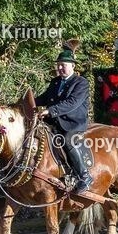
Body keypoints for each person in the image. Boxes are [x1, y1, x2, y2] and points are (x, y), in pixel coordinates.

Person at [37, 46, 93, 194]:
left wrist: (50, 110)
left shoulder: (81, 83)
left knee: (68, 140)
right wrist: (26, 103)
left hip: (73, 124)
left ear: (73, 66)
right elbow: (44, 98)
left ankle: (84, 176)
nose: (60, 68)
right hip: (54, 122)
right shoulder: (55, 82)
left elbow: (72, 103)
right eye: (59, 65)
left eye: (64, 65)